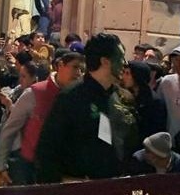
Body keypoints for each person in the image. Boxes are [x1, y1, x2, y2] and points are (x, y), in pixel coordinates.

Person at [36, 33, 126, 182]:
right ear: (105, 61)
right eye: (120, 57)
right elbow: (47, 149)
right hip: (78, 190)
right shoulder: (70, 97)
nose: (125, 63)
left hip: (115, 187)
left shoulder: (123, 98)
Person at [0, 52, 83, 186]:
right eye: (75, 67)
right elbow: (10, 129)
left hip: (61, 170)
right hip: (28, 168)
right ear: (61, 65)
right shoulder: (34, 93)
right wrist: (2, 164)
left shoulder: (78, 97)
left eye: (81, 69)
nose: (78, 73)